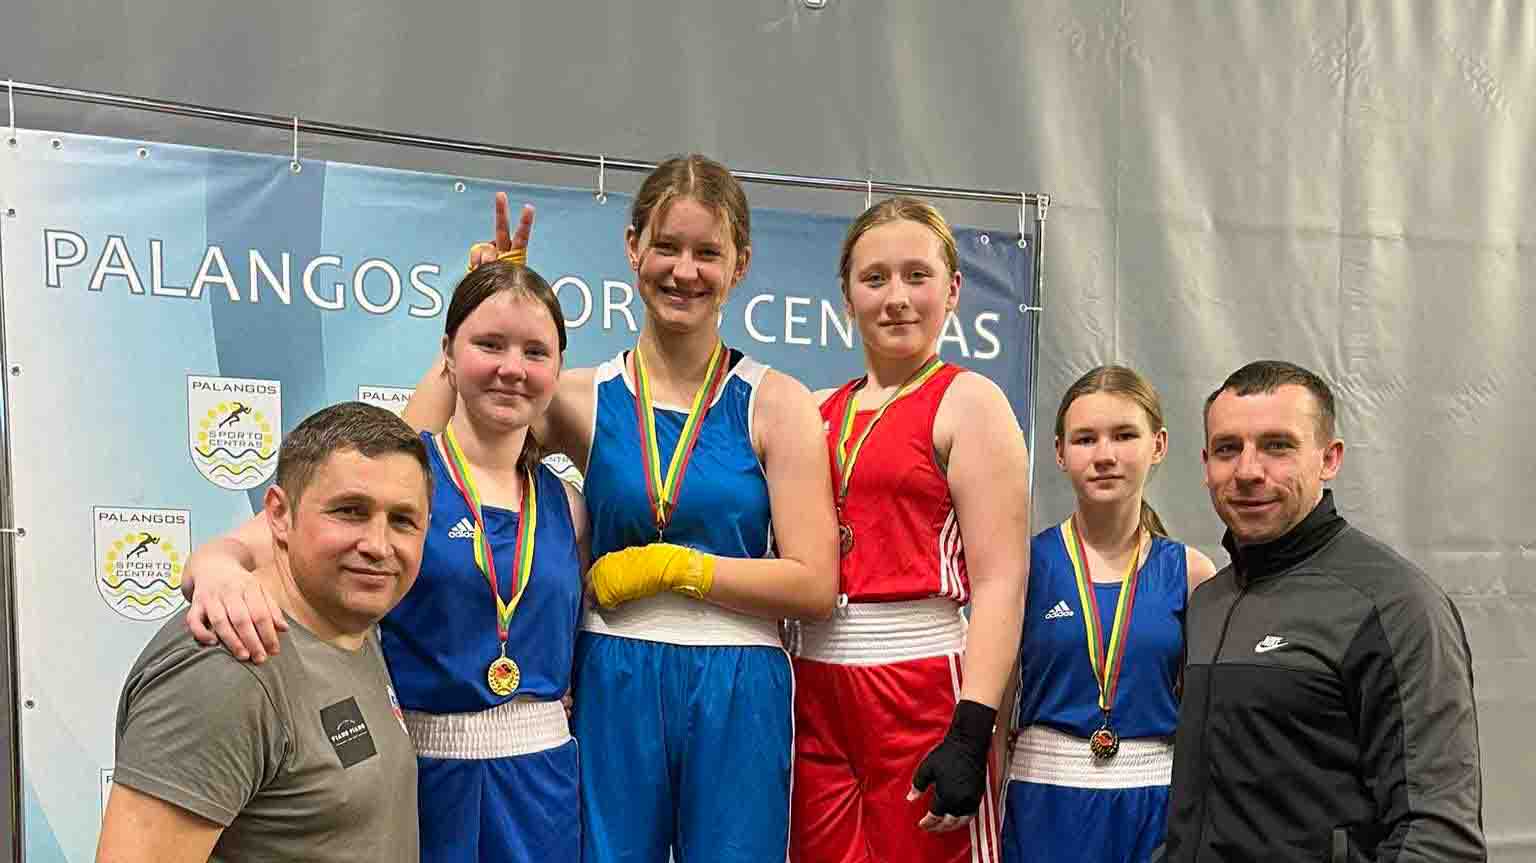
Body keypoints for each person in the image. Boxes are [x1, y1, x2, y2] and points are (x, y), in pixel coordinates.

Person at [465, 155, 839, 862]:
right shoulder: (577, 395)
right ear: (632, 246)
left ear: (741, 264)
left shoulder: (776, 401)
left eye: (708, 253)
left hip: (739, 679)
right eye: (666, 246)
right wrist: (486, 310)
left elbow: (815, 584)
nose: (684, 271)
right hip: (614, 667)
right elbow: (437, 450)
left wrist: (677, 568)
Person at [181, 259, 589, 862]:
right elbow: (240, 548)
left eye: (535, 352)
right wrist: (218, 570)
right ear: (448, 354)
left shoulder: (569, 504)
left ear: (556, 369)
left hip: (543, 786)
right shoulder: (398, 479)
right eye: (489, 344)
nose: (512, 368)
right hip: (421, 775)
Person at [1162, 360, 1485, 861]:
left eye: (1277, 446)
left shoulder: (1394, 604)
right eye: (1228, 449)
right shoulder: (1208, 603)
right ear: (1206, 464)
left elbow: (1438, 835)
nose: (1248, 471)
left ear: (1329, 459)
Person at [789, 196, 1031, 863]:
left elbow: (1001, 580)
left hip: (920, 686)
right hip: (812, 687)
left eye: (916, 275)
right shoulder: (813, 411)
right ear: (846, 297)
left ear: (952, 290)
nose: (896, 297)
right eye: (875, 278)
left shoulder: (970, 401)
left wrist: (972, 730)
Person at [97, 402, 429, 862]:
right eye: (350, 511)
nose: (377, 545)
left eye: (402, 520)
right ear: (279, 515)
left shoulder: (351, 623)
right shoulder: (226, 668)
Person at [998, 366, 1216, 863]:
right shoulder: (1024, 565)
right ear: (1059, 452)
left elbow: (1204, 725)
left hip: (1153, 810)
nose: (1104, 455)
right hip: (1043, 807)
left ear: (1158, 444)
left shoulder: (1191, 572)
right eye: (1085, 439)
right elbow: (997, 710)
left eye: (1124, 435)